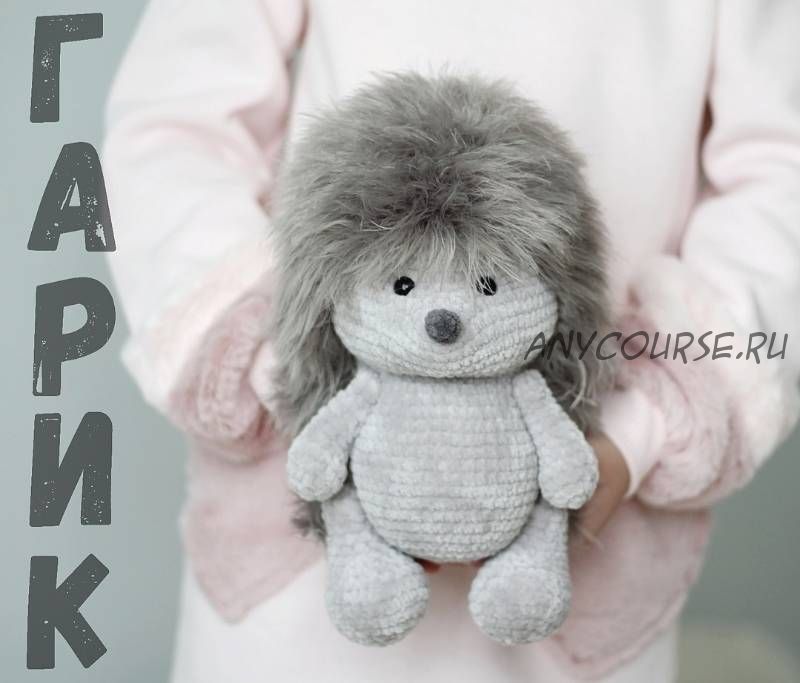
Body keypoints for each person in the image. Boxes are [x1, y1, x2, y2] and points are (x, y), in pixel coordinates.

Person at [103, 1, 800, 681]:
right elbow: (174, 127)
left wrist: (636, 433)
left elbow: (782, 172)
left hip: (597, 528)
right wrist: (291, 375)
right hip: (298, 546)